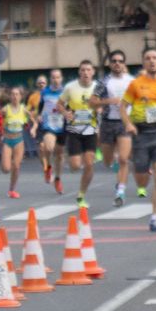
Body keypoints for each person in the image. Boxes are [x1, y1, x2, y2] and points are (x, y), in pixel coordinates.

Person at [122, 48, 156, 232]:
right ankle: (137, 167)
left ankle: (155, 217)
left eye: (155, 58)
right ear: (143, 63)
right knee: (142, 181)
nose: (152, 61)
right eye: (148, 58)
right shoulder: (136, 84)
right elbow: (123, 106)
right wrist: (128, 124)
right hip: (141, 133)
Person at [61, 59, 105, 203]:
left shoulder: (98, 88)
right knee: (74, 166)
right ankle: (69, 157)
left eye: (88, 70)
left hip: (91, 131)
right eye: (83, 70)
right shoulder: (70, 87)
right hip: (74, 130)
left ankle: (81, 194)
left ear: (93, 72)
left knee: (89, 164)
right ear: (79, 72)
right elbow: (59, 104)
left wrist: (100, 109)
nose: (86, 72)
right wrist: (65, 113)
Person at [99, 49, 134, 205]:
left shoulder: (132, 81)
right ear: (110, 64)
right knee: (107, 161)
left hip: (124, 123)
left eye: (120, 61)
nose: (117, 64)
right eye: (114, 61)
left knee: (124, 159)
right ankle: (118, 177)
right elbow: (92, 102)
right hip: (107, 123)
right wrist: (108, 101)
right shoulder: (103, 82)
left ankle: (120, 191)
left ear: (124, 64)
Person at [37, 68, 66, 191]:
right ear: (50, 79)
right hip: (49, 125)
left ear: (61, 79)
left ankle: (58, 179)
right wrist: (39, 115)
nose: (55, 80)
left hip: (62, 126)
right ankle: (48, 166)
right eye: (53, 77)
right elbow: (41, 105)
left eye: (58, 77)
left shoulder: (66, 92)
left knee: (59, 155)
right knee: (48, 147)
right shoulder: (45, 92)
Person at [0, 85, 30, 198]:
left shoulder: (24, 109)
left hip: (19, 140)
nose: (15, 96)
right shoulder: (5, 109)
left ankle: (12, 190)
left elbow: (33, 121)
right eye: (13, 94)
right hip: (7, 140)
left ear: (21, 97)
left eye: (17, 94)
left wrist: (34, 129)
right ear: (10, 97)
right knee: (6, 169)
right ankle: (6, 163)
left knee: (16, 166)